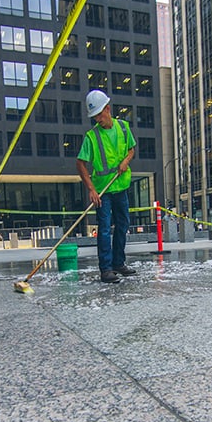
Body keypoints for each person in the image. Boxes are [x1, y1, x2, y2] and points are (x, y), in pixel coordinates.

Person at [76, 90, 137, 283]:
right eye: (94, 117)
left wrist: (126, 160)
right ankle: (106, 269)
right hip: (103, 192)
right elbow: (80, 163)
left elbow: (131, 149)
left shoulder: (124, 127)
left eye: (99, 116)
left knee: (123, 225)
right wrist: (92, 189)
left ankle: (119, 263)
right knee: (103, 229)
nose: (97, 120)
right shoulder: (91, 137)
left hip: (121, 187)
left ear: (107, 109)